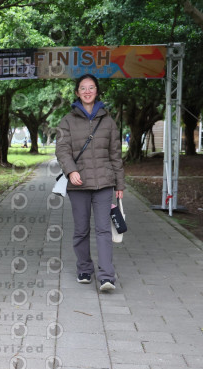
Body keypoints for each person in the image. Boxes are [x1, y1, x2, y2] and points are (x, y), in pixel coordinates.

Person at [55, 74, 125, 292]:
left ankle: (106, 276)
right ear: (77, 92)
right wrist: (71, 170)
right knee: (81, 230)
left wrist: (120, 184)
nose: (87, 91)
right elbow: (62, 150)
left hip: (104, 183)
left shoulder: (108, 121)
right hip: (78, 184)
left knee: (104, 230)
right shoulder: (67, 121)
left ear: (97, 91)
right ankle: (84, 269)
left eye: (91, 87)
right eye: (83, 88)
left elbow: (115, 154)